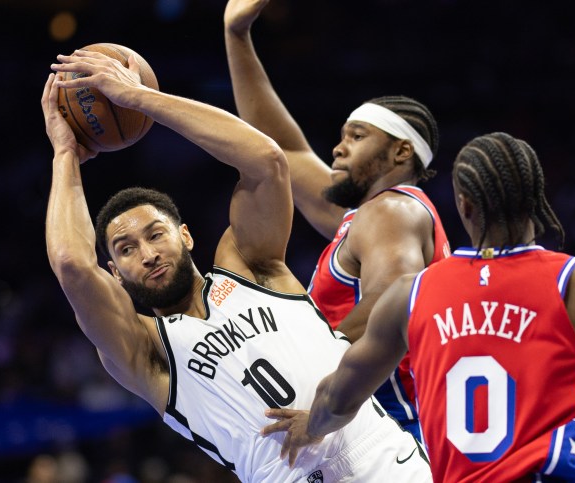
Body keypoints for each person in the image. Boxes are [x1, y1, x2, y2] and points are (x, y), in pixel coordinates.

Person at [42, 49, 431, 482]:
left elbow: (266, 161)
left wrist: (139, 99)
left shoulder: (249, 266)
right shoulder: (145, 350)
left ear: (185, 235)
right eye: (126, 249)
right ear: (114, 272)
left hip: (380, 457)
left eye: (155, 234)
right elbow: (71, 263)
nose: (147, 253)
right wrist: (65, 154)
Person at [262, 132, 575, 481]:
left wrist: (309, 425)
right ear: (537, 197)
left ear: (463, 205)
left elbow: (339, 400)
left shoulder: (410, 294)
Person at [224, 0, 451, 439]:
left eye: (357, 137)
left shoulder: (392, 211)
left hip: (400, 430)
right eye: (342, 137)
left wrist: (304, 368)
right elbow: (281, 152)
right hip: (371, 422)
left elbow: (389, 306)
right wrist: (237, 36)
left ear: (401, 152)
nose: (337, 148)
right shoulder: (365, 215)